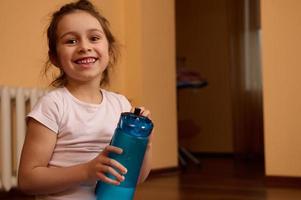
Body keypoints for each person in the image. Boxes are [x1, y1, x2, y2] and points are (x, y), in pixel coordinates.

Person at [17, 0, 153, 199]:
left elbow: (136, 178)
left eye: (94, 38)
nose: (84, 47)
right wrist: (86, 171)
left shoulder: (121, 106)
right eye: (71, 41)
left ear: (109, 48)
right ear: (54, 57)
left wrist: (144, 142)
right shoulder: (53, 105)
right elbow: (28, 180)